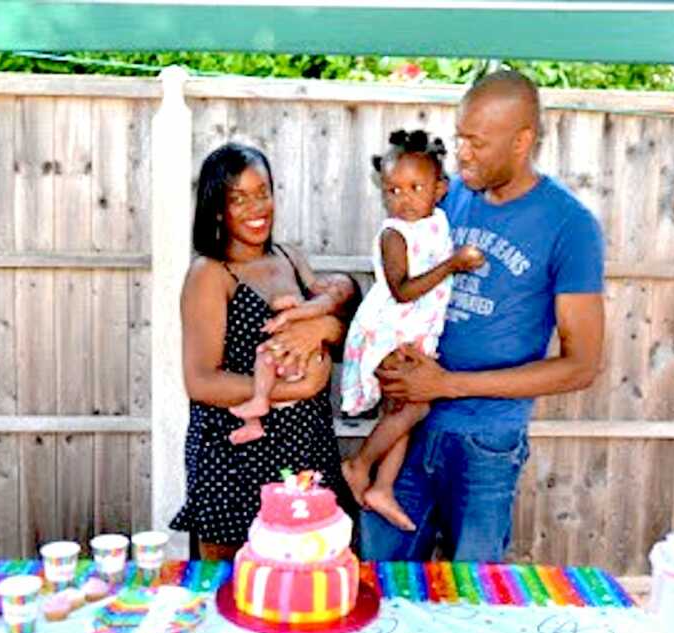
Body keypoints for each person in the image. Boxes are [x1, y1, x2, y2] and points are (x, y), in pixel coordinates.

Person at [360, 70, 606, 562]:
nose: (462, 153)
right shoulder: (446, 198)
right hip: (407, 427)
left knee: (472, 595)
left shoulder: (570, 226)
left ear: (522, 141)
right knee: (378, 575)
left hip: (485, 444)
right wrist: (327, 306)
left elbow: (580, 366)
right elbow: (391, 283)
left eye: (476, 142)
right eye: (459, 138)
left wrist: (447, 385)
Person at [170, 142, 358, 561]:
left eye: (263, 192)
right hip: (234, 457)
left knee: (310, 581)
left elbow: (334, 330)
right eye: (239, 198)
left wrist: (327, 326)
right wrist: (297, 390)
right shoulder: (210, 274)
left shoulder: (290, 257)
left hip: (305, 448)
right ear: (217, 208)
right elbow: (200, 382)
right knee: (233, 588)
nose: (257, 207)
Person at [339, 129, 484, 532]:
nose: (403, 199)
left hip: (413, 332)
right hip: (386, 330)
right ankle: (359, 465)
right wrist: (452, 265)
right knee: (415, 405)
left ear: (440, 189)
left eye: (415, 187)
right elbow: (402, 291)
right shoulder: (394, 235)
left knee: (403, 411)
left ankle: (382, 487)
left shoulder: (436, 221)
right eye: (393, 190)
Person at [228, 273, 356, 445]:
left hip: (300, 368)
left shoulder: (316, 309)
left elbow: (286, 308)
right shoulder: (302, 299)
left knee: (265, 356)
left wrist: (281, 316)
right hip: (289, 375)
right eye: (328, 280)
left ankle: (259, 403)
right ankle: (254, 421)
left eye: (338, 291)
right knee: (266, 357)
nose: (330, 286)